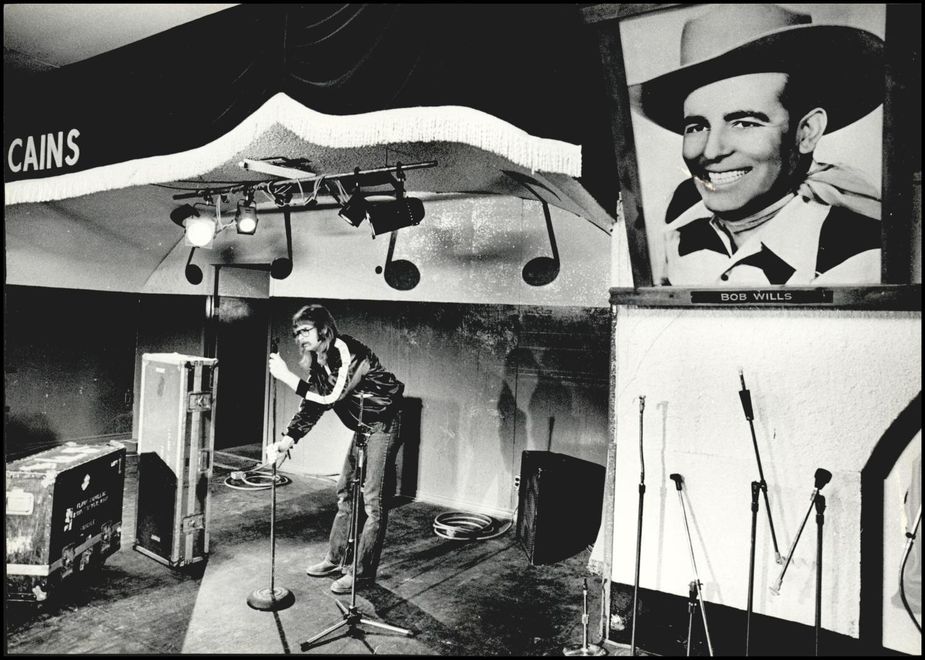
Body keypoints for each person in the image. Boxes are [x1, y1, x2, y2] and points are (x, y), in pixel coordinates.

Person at [632, 4, 885, 286]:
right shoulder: (678, 237)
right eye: (697, 127)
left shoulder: (861, 257)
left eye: (744, 123)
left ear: (807, 132)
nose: (711, 151)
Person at [266, 304, 405, 594]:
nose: (300, 337)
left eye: (305, 330)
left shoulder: (348, 351)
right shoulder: (319, 360)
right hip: (363, 427)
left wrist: (287, 377)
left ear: (323, 329)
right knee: (345, 491)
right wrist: (287, 440)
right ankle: (335, 558)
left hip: (383, 424)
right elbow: (313, 405)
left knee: (373, 503)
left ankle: (362, 574)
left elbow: (331, 396)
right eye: (296, 333)